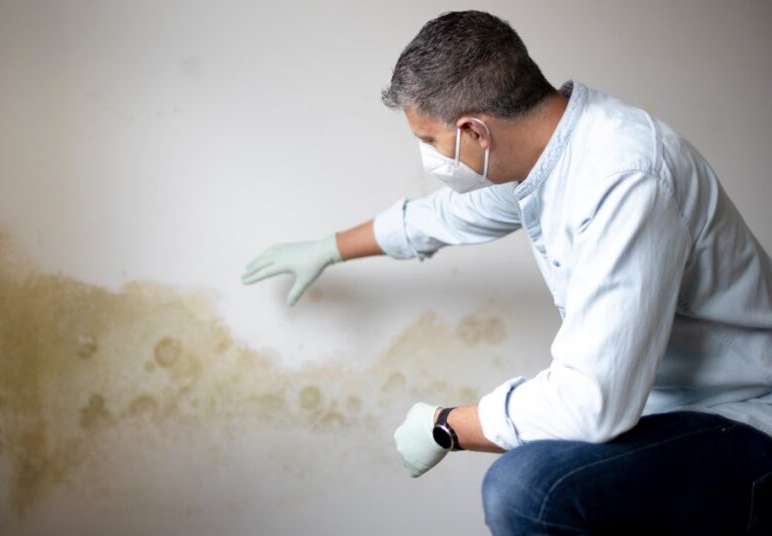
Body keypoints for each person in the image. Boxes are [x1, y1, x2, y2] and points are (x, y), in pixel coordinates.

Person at [241, 10, 772, 534]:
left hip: (743, 419)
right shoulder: (552, 157)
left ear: (474, 131)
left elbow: (591, 405)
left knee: (526, 488)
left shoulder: (624, 177)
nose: (428, 156)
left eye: (428, 140)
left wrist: (445, 426)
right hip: (665, 413)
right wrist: (327, 249)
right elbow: (441, 218)